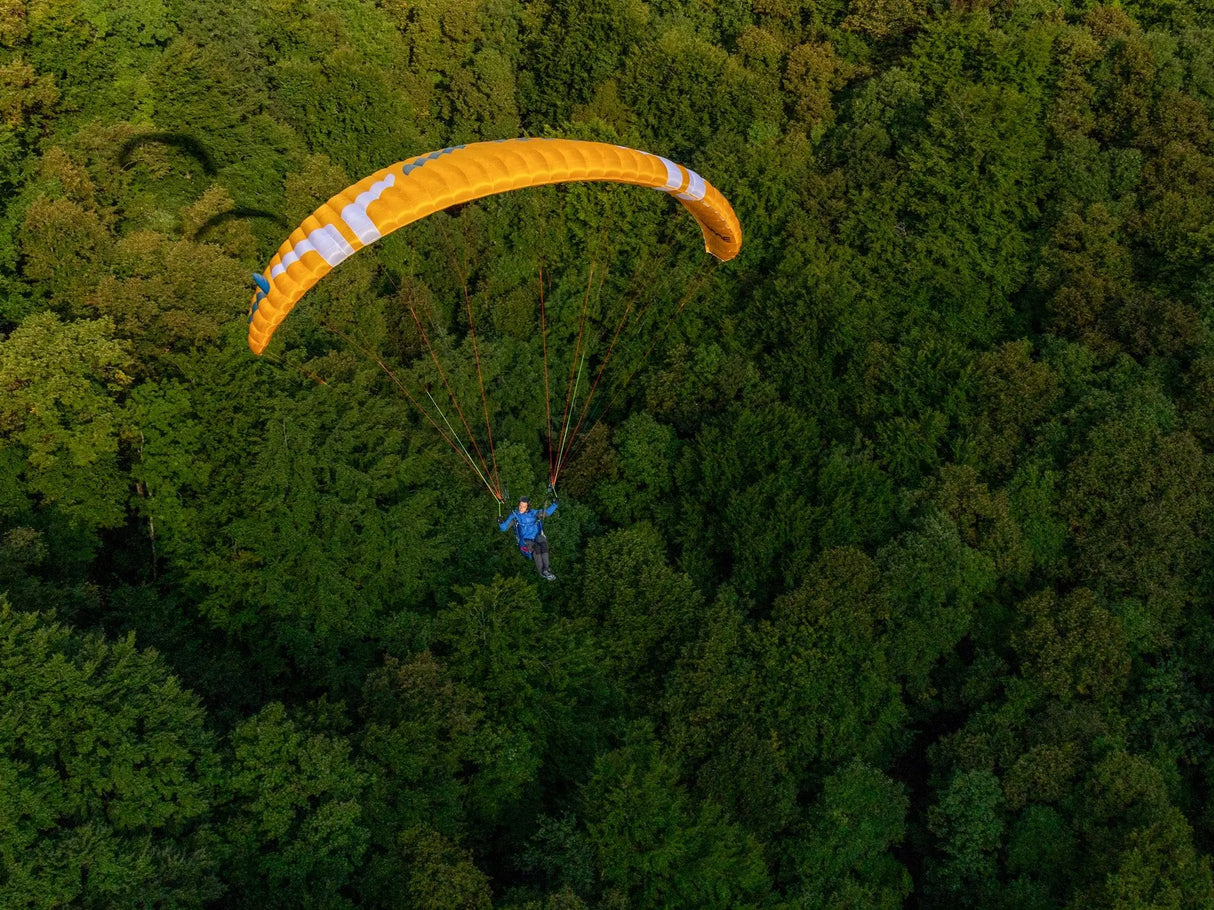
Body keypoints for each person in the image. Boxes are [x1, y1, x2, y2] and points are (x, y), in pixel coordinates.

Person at [499, 496, 558, 581]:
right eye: (520, 505)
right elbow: (504, 528)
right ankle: (542, 572)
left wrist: (555, 504)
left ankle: (547, 569)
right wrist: (500, 522)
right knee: (537, 548)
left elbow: (547, 513)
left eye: (523, 506)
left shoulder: (534, 513)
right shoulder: (515, 517)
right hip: (525, 543)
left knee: (543, 542)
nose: (520, 508)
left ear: (527, 507)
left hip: (536, 538)